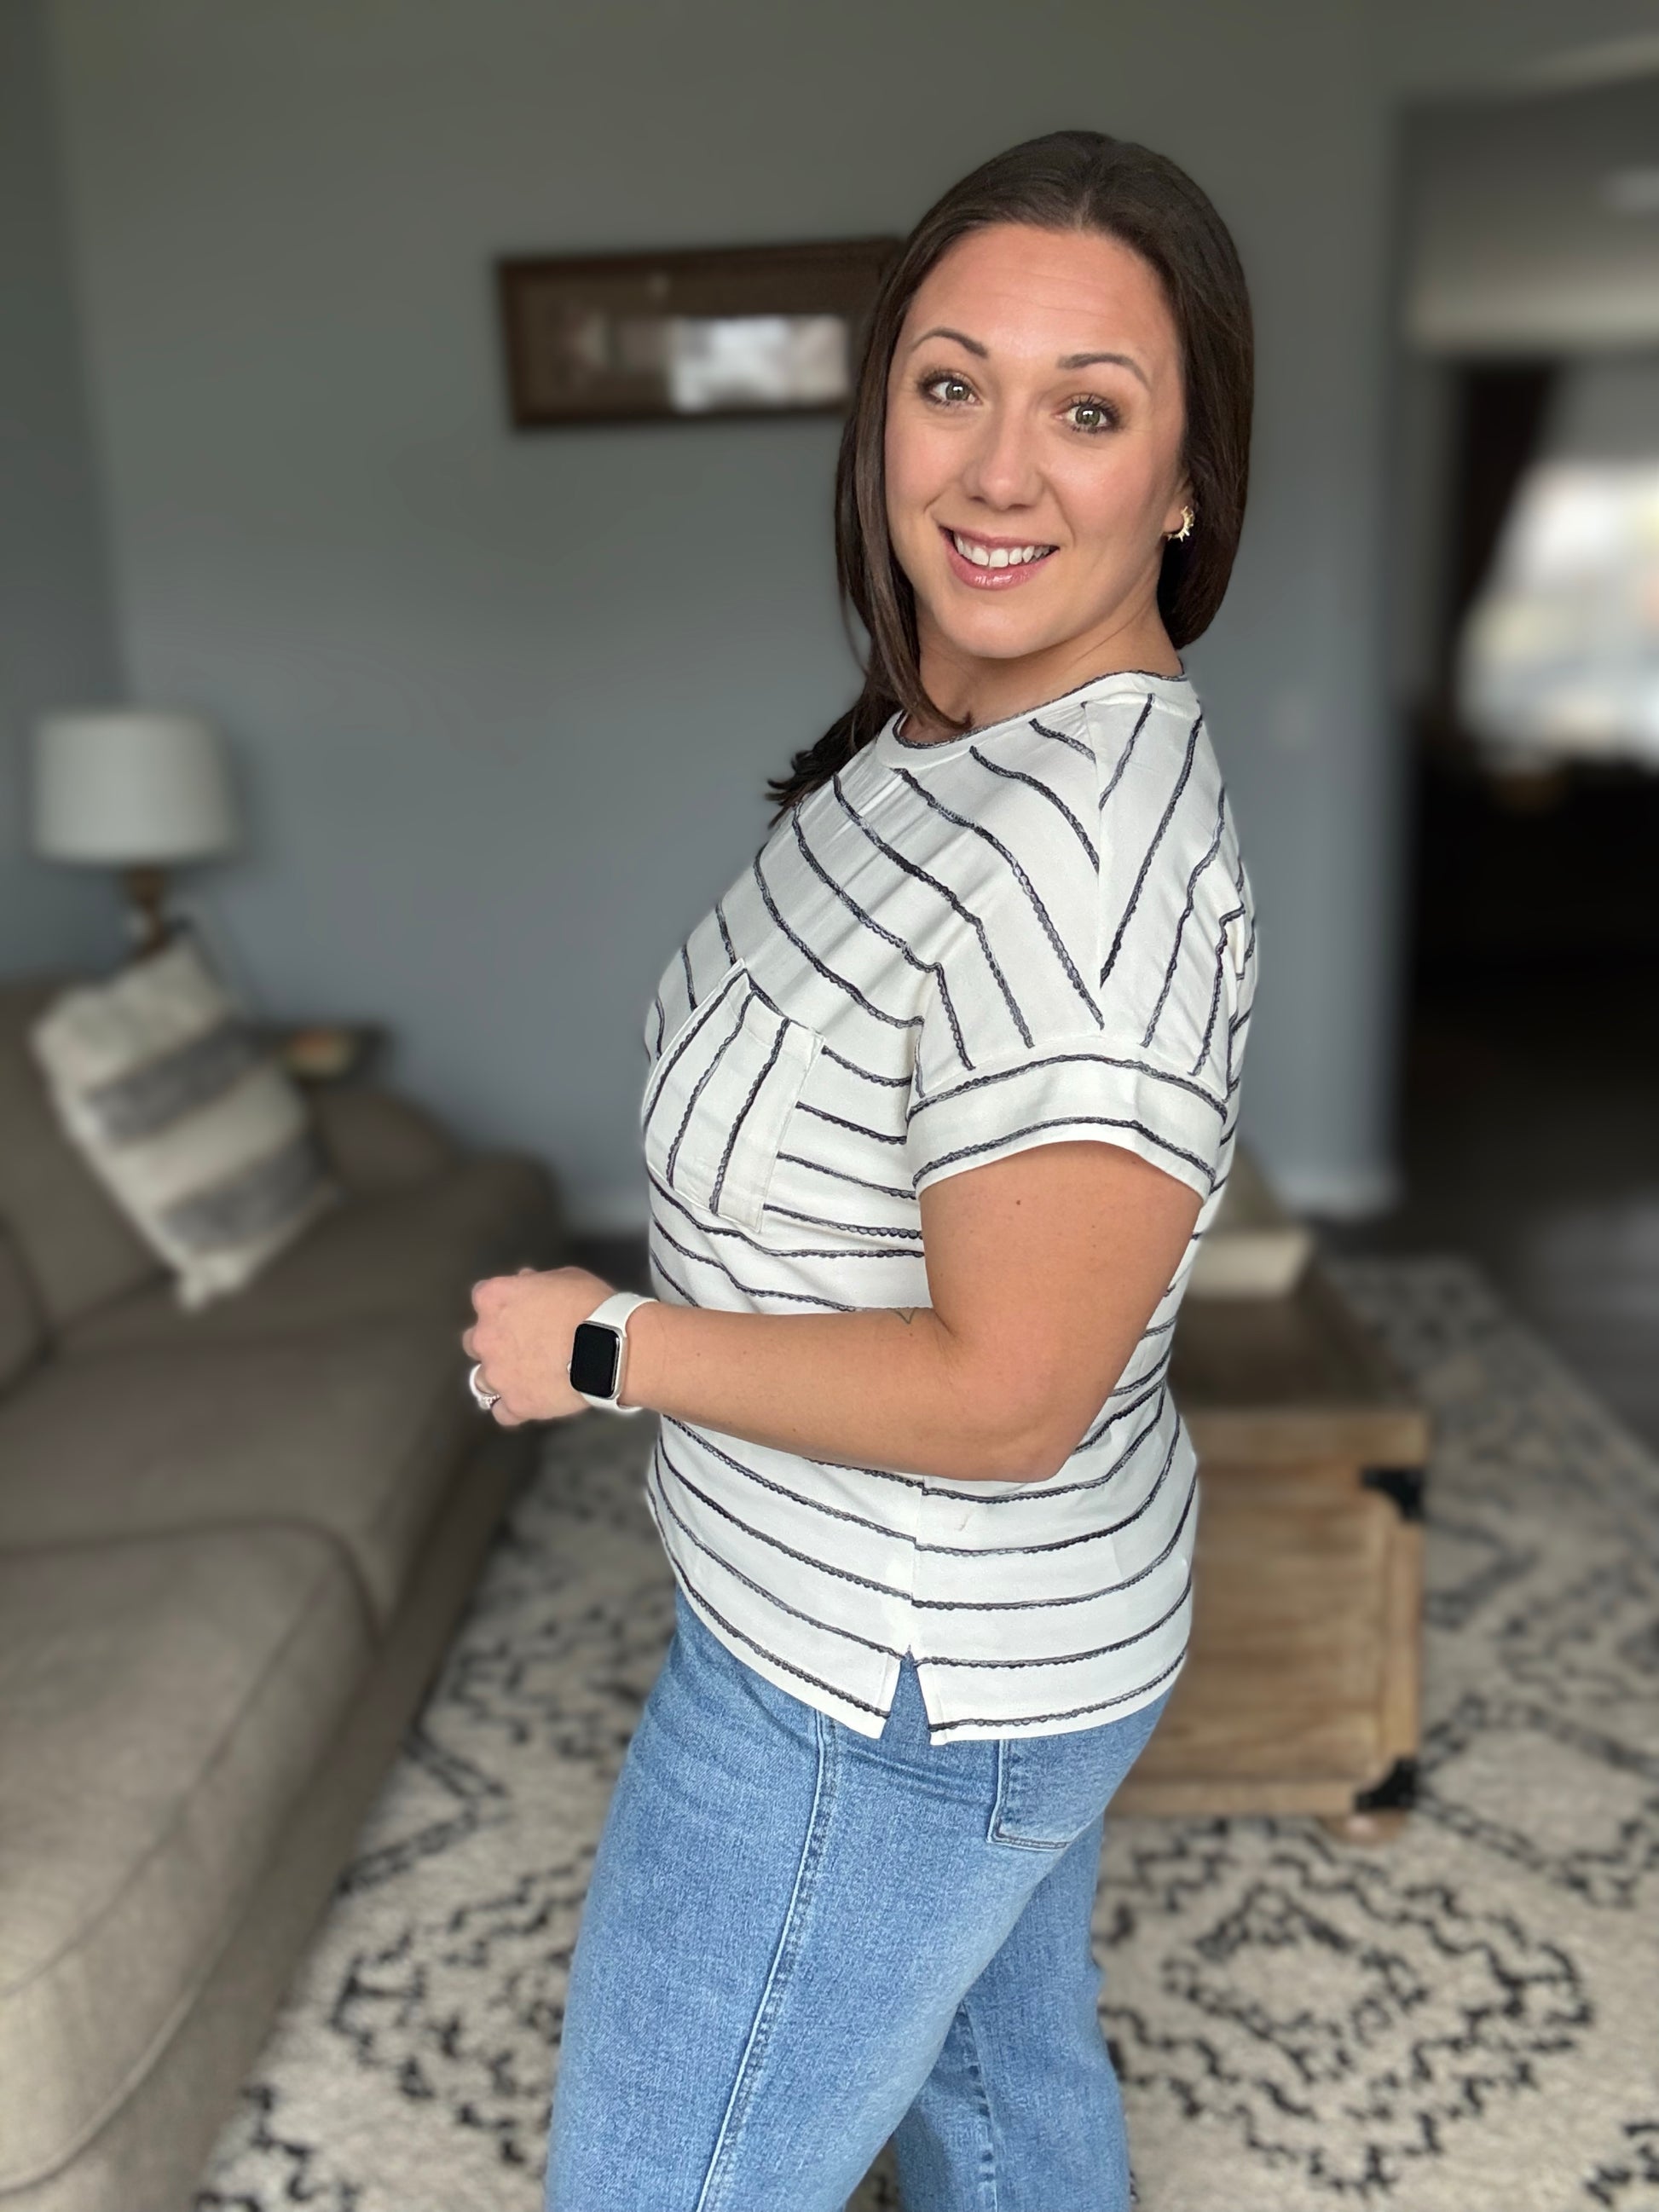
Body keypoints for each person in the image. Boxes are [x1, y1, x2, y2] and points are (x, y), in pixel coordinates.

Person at [463, 126, 1257, 2212]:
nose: (997, 471)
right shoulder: (940, 734)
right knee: (997, 2103)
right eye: (950, 383)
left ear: (1186, 479)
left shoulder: (1077, 870)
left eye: (1088, 410)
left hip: (881, 1686)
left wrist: (606, 1345)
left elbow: (1009, 1393)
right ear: (879, 412)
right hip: (940, 1651)